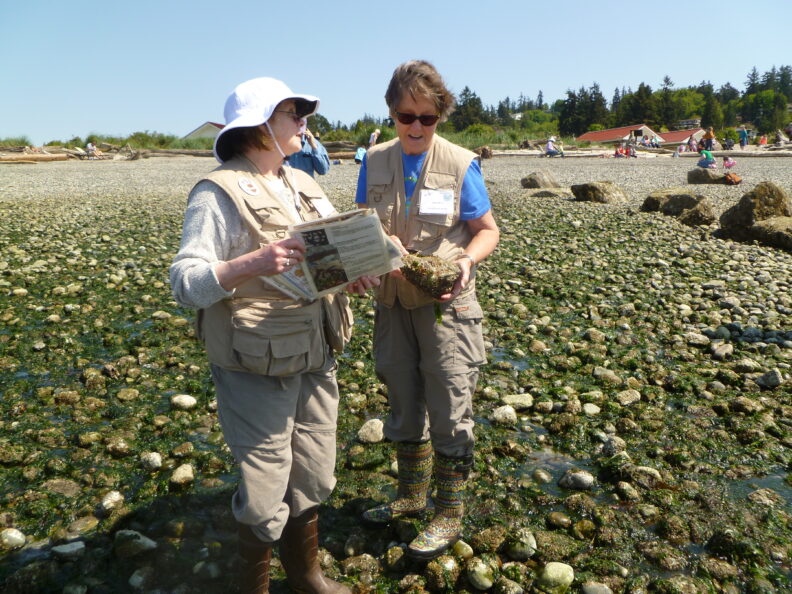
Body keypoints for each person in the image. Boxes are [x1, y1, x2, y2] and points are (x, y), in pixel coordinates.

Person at [169, 77, 353, 594]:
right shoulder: (217, 191)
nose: (303, 123)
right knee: (265, 483)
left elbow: (330, 262)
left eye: (301, 113)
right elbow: (185, 282)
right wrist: (251, 262)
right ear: (258, 125)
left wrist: (356, 275)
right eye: (293, 113)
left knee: (315, 469)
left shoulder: (307, 184)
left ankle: (306, 574)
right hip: (255, 361)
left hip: (317, 351)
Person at [351, 60, 499, 560]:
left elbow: (487, 231)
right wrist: (366, 254)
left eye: (426, 118)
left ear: (440, 116)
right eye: (404, 116)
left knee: (450, 406)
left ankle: (449, 513)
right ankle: (411, 498)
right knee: (402, 396)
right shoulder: (373, 160)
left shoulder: (460, 164)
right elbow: (361, 226)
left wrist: (465, 264)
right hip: (392, 303)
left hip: (447, 308)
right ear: (391, 113)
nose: (415, 127)